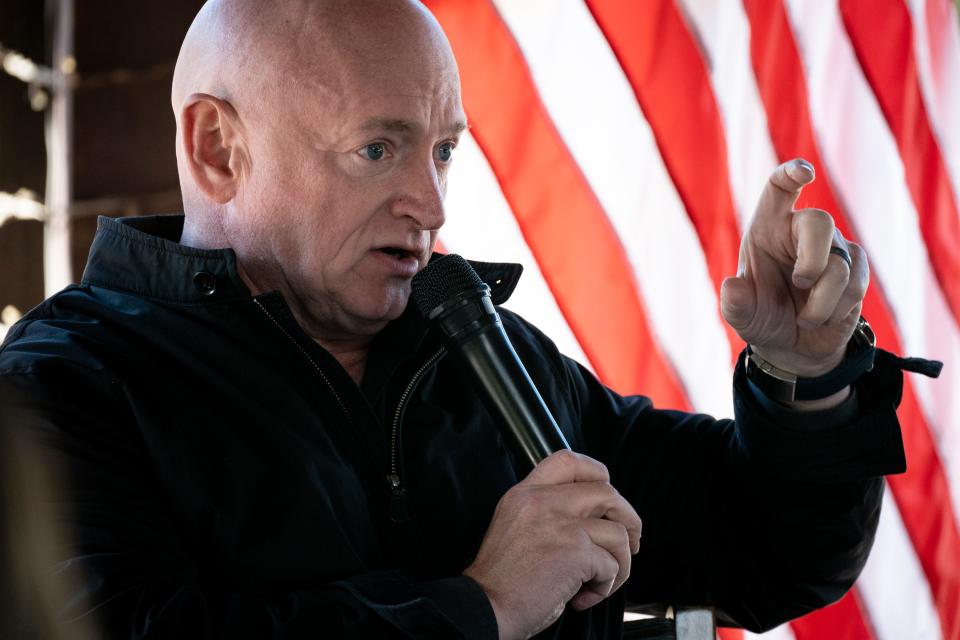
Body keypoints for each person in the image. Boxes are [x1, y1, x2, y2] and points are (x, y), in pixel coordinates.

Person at [0, 1, 935, 638]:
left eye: (443, 149)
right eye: (377, 149)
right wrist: (479, 606)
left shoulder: (475, 351)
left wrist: (803, 381)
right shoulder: (62, 388)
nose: (432, 204)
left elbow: (769, 558)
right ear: (218, 149)